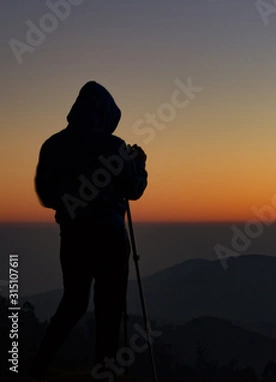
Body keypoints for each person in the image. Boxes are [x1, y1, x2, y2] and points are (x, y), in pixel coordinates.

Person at [31, 81, 148, 381]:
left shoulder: (52, 145)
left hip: (72, 237)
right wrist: (140, 165)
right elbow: (133, 189)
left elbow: (46, 194)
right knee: (109, 311)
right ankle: (104, 373)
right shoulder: (113, 146)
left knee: (73, 301)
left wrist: (71, 204)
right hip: (110, 238)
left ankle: (38, 365)